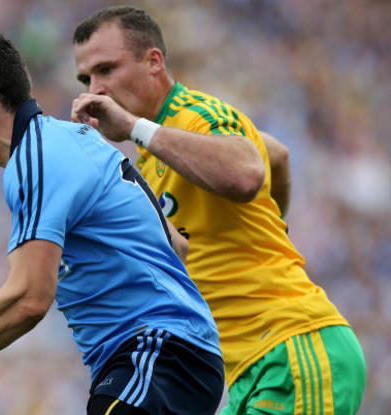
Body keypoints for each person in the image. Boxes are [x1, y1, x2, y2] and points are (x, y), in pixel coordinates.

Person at [0, 31, 225, 415]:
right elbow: (176, 245)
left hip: (156, 352)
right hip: (170, 356)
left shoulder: (38, 158)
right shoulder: (68, 140)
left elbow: (30, 299)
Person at [70, 6, 366, 415]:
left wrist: (135, 126)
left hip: (290, 348)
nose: (95, 88)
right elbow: (275, 155)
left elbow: (248, 173)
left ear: (153, 61)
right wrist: (267, 227)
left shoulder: (198, 116)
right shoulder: (156, 156)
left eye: (106, 69)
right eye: (86, 78)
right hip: (253, 368)